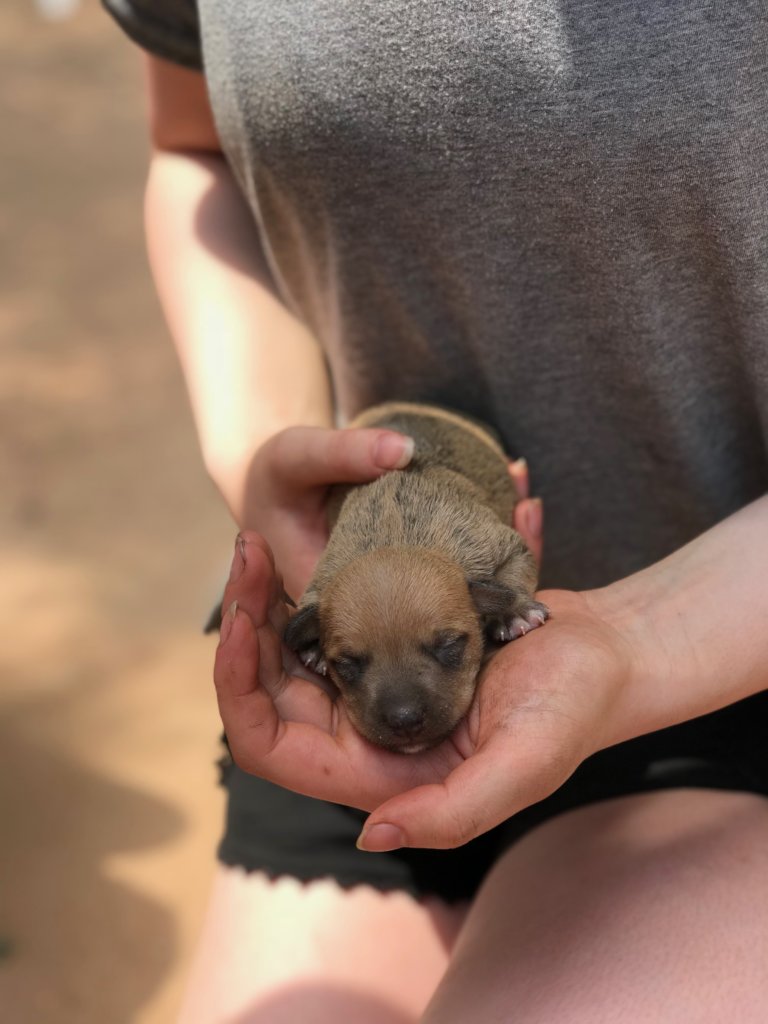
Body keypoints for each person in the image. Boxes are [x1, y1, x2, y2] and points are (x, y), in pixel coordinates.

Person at [104, 3, 768, 1021]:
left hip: (732, 648)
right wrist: (268, 454)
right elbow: (194, 152)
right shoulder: (355, 648)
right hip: (342, 630)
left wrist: (640, 641)